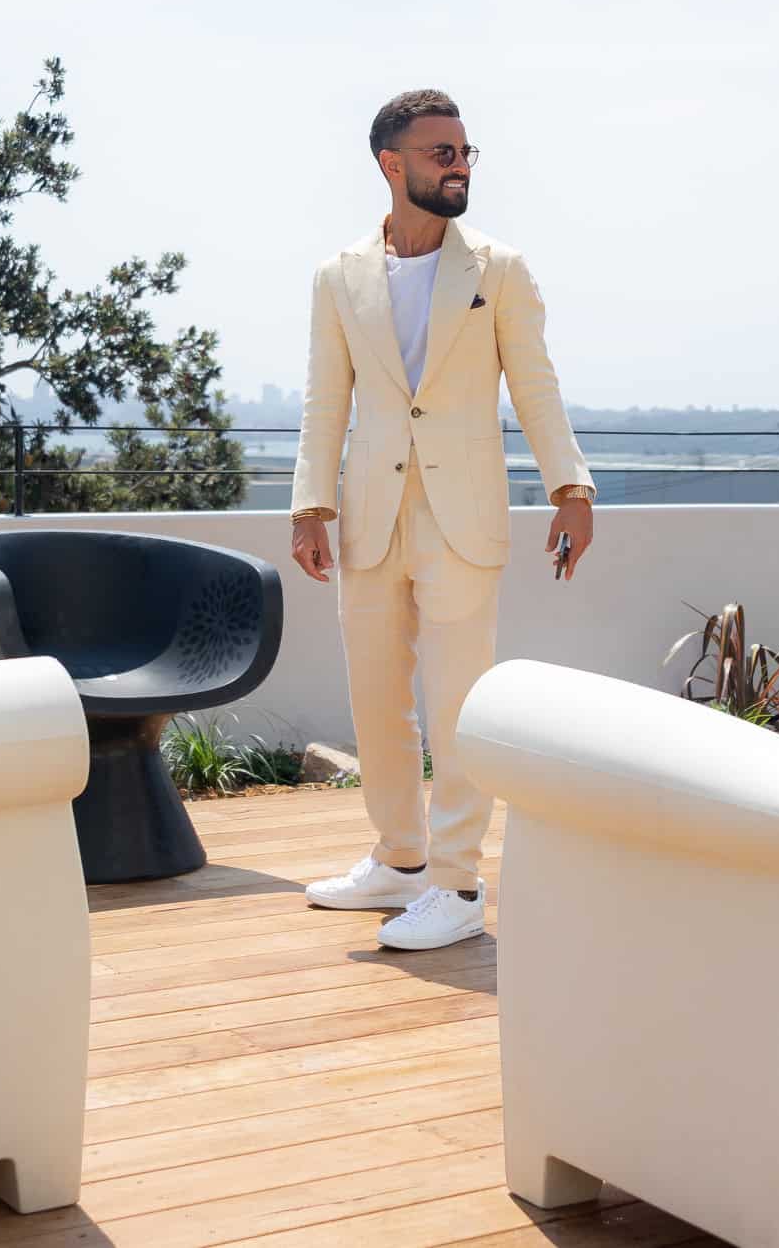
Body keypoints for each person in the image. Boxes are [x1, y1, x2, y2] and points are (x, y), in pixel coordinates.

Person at [288, 88, 596, 950]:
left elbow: (535, 386)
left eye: (465, 152)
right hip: (370, 514)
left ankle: (457, 886)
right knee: (377, 700)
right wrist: (310, 506)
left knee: (460, 705)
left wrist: (571, 489)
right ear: (392, 165)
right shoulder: (339, 276)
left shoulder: (499, 270)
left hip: (463, 514)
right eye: (441, 153)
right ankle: (400, 860)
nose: (460, 166)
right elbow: (326, 399)